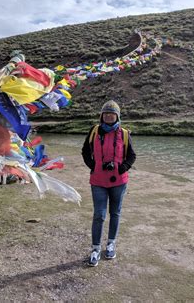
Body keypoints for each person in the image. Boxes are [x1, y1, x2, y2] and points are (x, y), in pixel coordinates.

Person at [81, 100, 136, 267]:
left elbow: (132, 156)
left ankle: (111, 243)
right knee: (99, 214)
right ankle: (96, 248)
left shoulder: (124, 134)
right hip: (98, 180)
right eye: (106, 114)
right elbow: (85, 151)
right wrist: (94, 166)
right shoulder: (94, 131)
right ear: (102, 116)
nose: (109, 117)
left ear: (117, 116)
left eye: (112, 114)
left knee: (115, 213)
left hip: (119, 181)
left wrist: (122, 168)